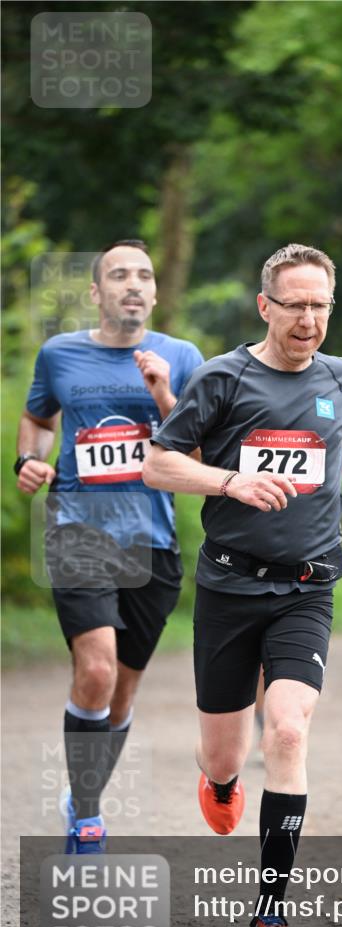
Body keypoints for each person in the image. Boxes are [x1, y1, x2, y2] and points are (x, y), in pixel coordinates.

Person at [143, 243, 342, 927]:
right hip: (231, 586)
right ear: (265, 306)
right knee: (225, 752)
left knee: (289, 731)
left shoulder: (341, 377)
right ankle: (221, 779)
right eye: (293, 304)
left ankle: (269, 914)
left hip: (308, 585)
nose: (307, 318)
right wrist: (229, 483)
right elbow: (158, 463)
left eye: (319, 305)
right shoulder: (222, 378)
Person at [16, 239, 204, 852]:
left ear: (154, 292)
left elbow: (203, 458)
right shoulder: (59, 354)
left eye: (144, 275)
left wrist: (162, 395)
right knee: (94, 671)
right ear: (96, 292)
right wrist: (29, 460)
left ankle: (84, 794)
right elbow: (38, 419)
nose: (133, 284)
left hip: (152, 543)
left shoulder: (181, 356)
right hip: (79, 533)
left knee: (122, 693)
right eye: (118, 274)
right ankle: (89, 817)